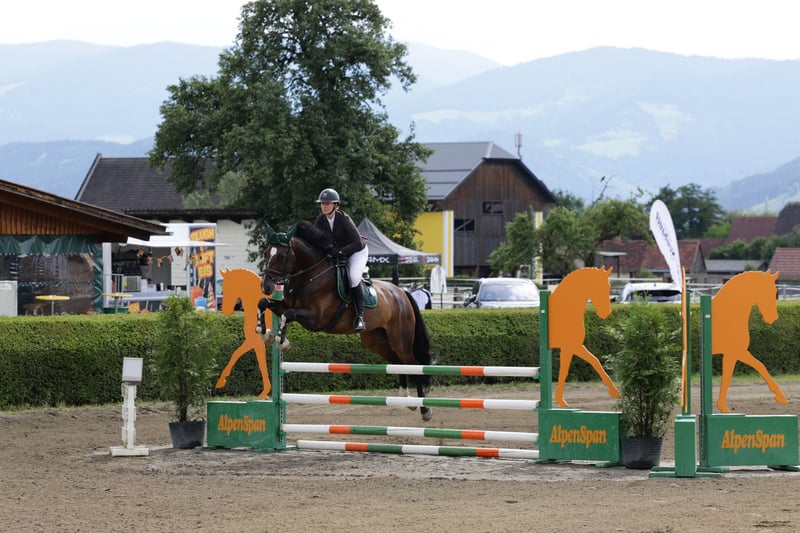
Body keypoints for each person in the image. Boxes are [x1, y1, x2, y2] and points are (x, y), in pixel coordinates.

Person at [314, 188, 369, 331]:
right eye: (322, 203)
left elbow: (357, 243)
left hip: (356, 251)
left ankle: (360, 317)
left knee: (353, 278)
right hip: (338, 254)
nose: (324, 206)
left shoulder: (343, 218)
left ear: (336, 205)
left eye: (328, 203)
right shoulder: (320, 220)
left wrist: (339, 251)